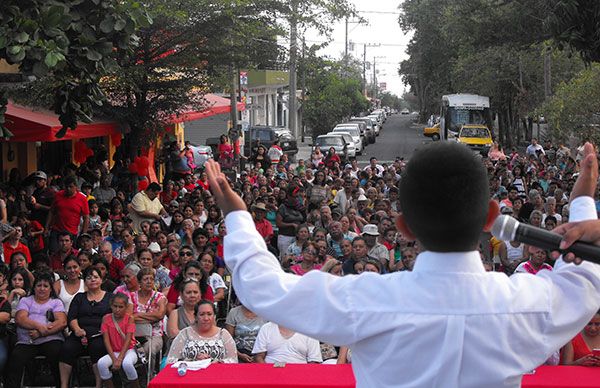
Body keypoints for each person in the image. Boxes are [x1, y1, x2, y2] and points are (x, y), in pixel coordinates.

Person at [203, 140, 600, 387]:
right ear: (490, 217)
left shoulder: (368, 299)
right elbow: (584, 278)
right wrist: (582, 204)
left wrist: (237, 215)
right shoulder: (528, 302)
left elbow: (262, 287)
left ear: (403, 228)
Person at [7, 271, 67, 387]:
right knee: (15, 358)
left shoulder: (56, 302)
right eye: (39, 285)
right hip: (27, 341)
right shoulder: (26, 300)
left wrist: (41, 333)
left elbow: (62, 322)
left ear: (50, 289)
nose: (42, 289)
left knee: (58, 354)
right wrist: (39, 327)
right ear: (34, 288)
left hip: (51, 339)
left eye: (46, 286)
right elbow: (20, 319)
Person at [59, 267, 111, 388]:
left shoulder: (109, 297)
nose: (92, 279)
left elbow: (111, 318)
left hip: (100, 334)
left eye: (96, 277)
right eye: (89, 277)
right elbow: (72, 317)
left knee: (98, 348)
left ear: (101, 280)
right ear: (85, 281)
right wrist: (77, 330)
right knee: (67, 348)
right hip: (79, 333)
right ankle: (64, 385)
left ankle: (98, 385)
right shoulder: (79, 298)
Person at [166, 300, 237, 363]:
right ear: (195, 317)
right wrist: (192, 361)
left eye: (209, 314)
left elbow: (233, 360)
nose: (206, 318)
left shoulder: (223, 334)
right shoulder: (185, 333)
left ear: (214, 316)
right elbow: (170, 360)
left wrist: (217, 362)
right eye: (202, 314)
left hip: (217, 375)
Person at [98, 292, 139, 388]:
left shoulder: (130, 318)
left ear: (126, 307)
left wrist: (120, 359)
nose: (117, 310)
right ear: (111, 306)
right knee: (101, 364)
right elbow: (106, 340)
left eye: (121, 307)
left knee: (127, 364)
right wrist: (113, 359)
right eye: (115, 306)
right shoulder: (106, 318)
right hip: (114, 351)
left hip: (129, 350)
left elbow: (128, 339)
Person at [132, 268, 166, 357]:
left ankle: (149, 371)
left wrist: (138, 315)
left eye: (151, 279)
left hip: (154, 335)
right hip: (134, 335)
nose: (149, 282)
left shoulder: (159, 296)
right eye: (145, 279)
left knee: (149, 349)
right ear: (139, 282)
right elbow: (129, 317)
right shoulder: (132, 296)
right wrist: (151, 318)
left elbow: (160, 315)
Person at [252, 322, 322, 364]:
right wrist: (268, 373)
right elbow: (259, 356)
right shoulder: (266, 327)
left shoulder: (309, 330)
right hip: (271, 370)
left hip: (299, 372)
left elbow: (314, 361)